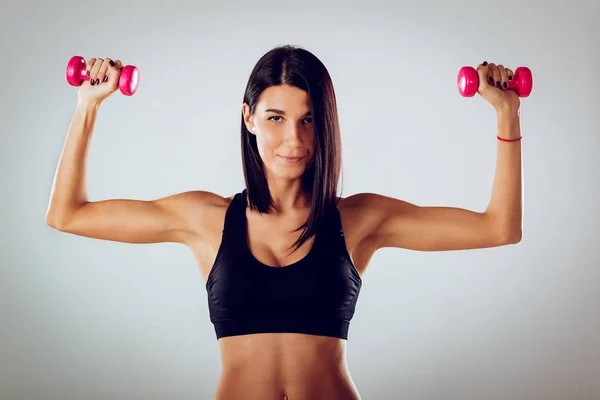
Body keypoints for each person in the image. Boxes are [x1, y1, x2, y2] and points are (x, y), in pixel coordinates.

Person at [46, 45, 523, 400]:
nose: (292, 138)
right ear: (249, 118)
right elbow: (67, 214)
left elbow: (498, 227)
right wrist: (89, 105)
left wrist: (507, 113)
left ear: (326, 124)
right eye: (276, 117)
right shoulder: (204, 219)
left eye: (309, 120)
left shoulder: (360, 220)